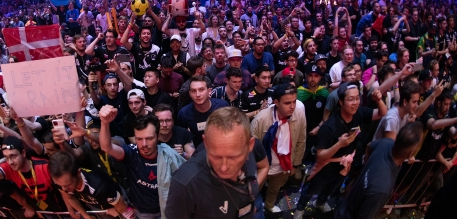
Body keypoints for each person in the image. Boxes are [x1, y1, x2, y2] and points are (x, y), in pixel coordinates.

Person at [293, 81, 387, 219]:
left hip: (345, 164)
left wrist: (378, 100)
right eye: (350, 99)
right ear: (341, 102)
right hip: (326, 166)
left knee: (332, 188)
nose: (355, 103)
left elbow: (382, 113)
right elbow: (320, 156)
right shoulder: (329, 126)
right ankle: (300, 208)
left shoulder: (359, 113)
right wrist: (339, 144)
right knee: (312, 188)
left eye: (357, 98)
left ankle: (320, 202)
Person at [165, 107, 260, 219]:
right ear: (205, 142)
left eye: (234, 157)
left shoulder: (251, 155)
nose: (224, 168)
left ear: (250, 145)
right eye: (216, 156)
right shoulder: (185, 183)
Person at [99, 108, 185, 218]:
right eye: (139, 139)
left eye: (149, 138)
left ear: (158, 136)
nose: (144, 144)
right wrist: (105, 123)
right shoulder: (131, 153)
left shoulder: (169, 154)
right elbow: (106, 147)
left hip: (167, 208)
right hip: (143, 212)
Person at [0, 135, 66, 217]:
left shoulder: (44, 166)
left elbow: (65, 191)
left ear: (23, 153)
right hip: (43, 209)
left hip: (64, 208)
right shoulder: (9, 169)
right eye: (6, 157)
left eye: (13, 156)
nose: (10, 162)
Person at [334, 122, 424, 219]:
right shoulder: (382, 188)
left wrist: (367, 168)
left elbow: (369, 146)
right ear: (411, 153)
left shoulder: (386, 143)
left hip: (345, 205)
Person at [250, 83, 306, 213]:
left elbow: (301, 141)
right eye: (287, 103)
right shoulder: (261, 119)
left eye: (294, 102)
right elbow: (252, 147)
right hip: (262, 166)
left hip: (284, 166)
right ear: (276, 102)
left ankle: (269, 205)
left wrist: (296, 164)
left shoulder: (299, 114)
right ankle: (252, 207)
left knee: (275, 188)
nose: (292, 107)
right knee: (254, 189)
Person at [48, 150, 135, 219]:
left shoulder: (100, 186)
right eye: (60, 185)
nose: (64, 189)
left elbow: (122, 206)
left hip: (117, 201)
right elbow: (69, 197)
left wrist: (118, 210)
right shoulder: (60, 182)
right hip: (96, 205)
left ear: (78, 172)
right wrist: (86, 216)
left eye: (68, 184)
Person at [177, 75, 229, 147]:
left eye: (201, 90)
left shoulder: (223, 106)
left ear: (209, 91)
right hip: (199, 151)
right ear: (190, 94)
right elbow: (183, 137)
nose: (197, 95)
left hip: (223, 146)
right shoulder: (184, 113)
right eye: (193, 91)